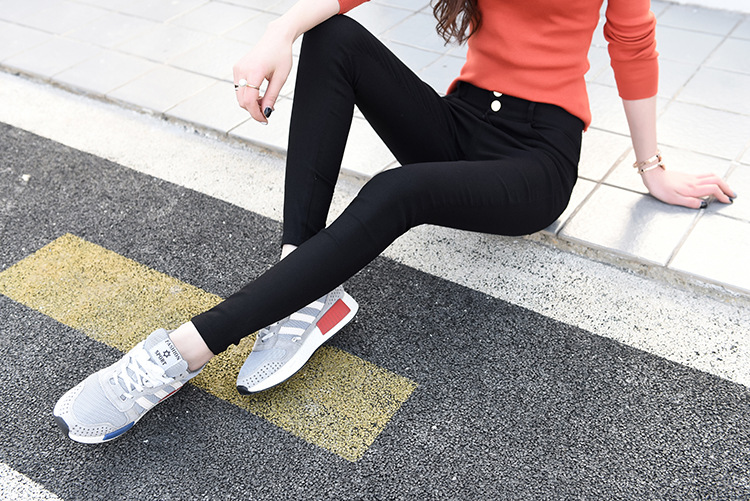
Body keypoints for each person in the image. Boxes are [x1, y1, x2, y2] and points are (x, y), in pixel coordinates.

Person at [53, 0, 735, 443]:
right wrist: (277, 33)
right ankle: (304, 289)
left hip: (536, 156)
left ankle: (178, 354)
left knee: (393, 191)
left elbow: (632, 42)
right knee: (332, 37)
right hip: (461, 119)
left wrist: (651, 167)